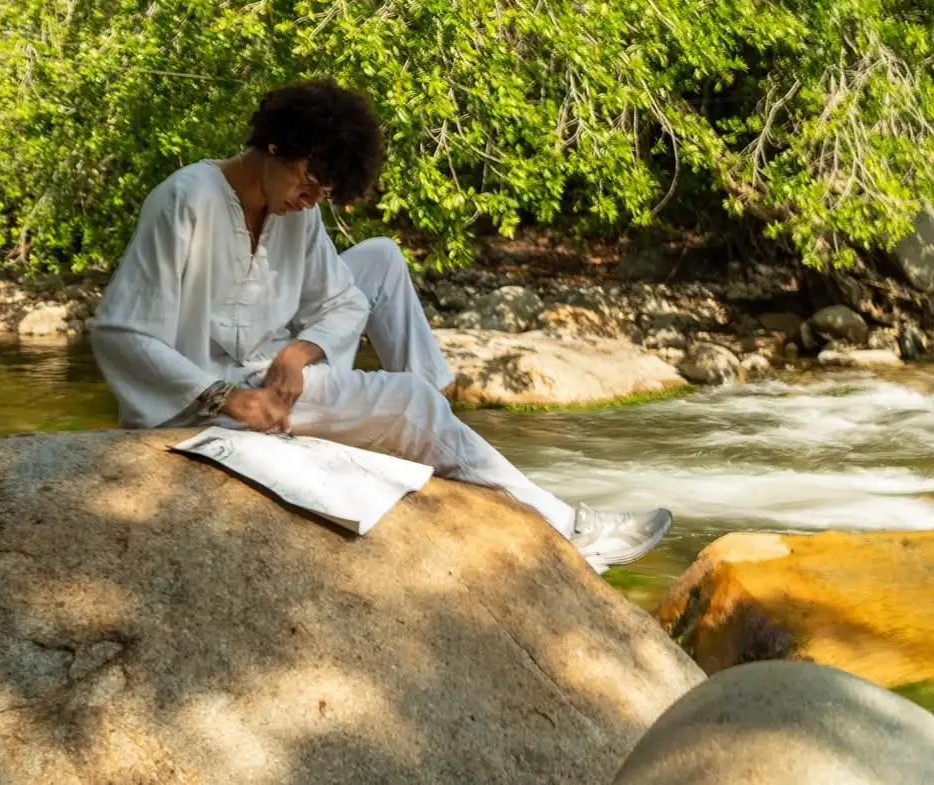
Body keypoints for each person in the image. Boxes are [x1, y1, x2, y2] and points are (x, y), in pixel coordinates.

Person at [91, 79, 671, 573]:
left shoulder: (299, 212)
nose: (311, 198)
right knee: (409, 404)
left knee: (383, 259)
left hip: (270, 364)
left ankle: (437, 416)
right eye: (308, 180)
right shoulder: (185, 201)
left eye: (326, 191)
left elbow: (344, 301)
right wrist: (227, 397)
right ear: (274, 143)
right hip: (209, 395)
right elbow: (122, 332)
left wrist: (301, 351)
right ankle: (571, 530)